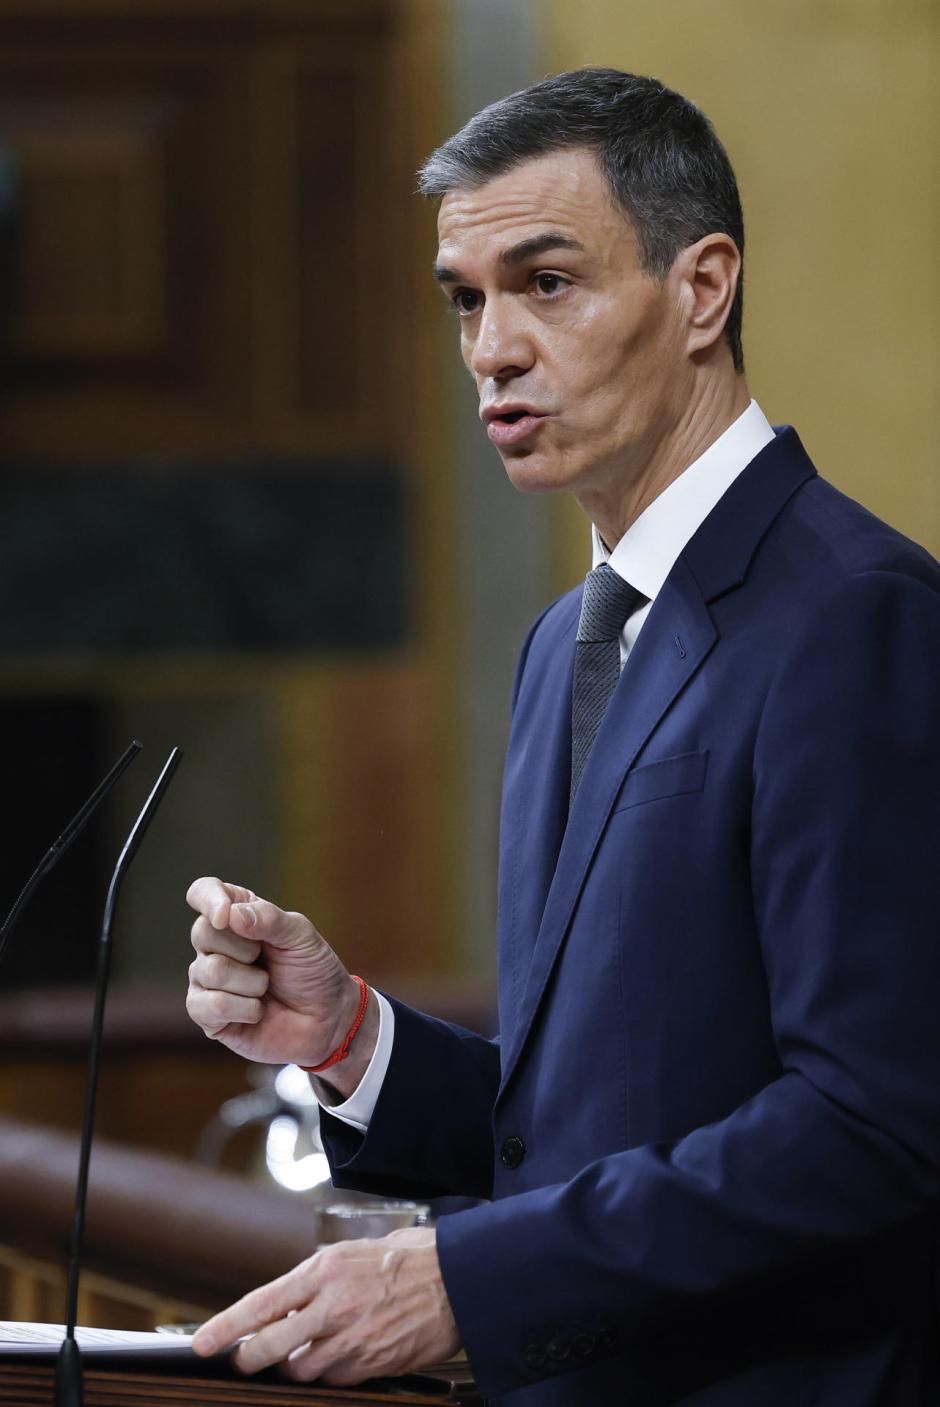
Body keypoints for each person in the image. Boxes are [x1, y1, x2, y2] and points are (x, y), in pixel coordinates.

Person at [185, 69, 940, 1406]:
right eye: (465, 300)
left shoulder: (855, 615)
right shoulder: (562, 644)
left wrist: (468, 1282)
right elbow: (592, 1122)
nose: (490, 348)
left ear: (703, 290)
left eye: (546, 282)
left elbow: (879, 1121)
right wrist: (354, 1043)